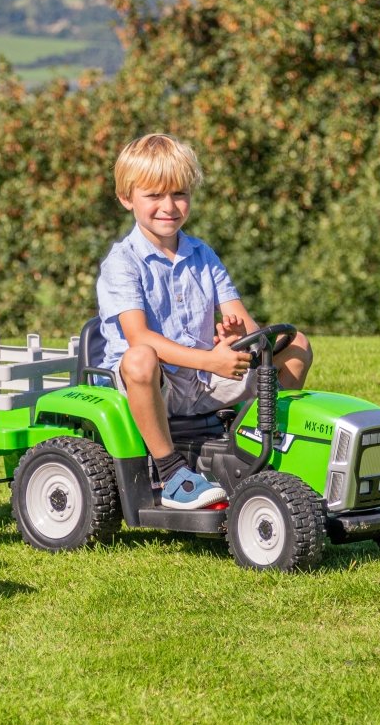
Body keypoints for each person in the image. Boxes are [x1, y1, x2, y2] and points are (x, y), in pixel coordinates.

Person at [95, 133, 312, 510]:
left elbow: (243, 320)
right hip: (149, 384)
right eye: (154, 196)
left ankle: (261, 444)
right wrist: (212, 360)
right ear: (127, 198)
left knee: (296, 345)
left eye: (179, 194)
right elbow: (138, 336)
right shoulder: (123, 262)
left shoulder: (203, 254)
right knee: (140, 357)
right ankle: (171, 472)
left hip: (202, 379)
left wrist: (238, 336)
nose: (169, 206)